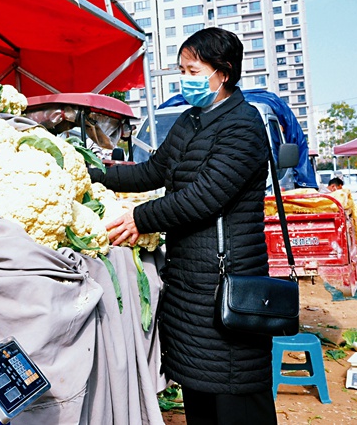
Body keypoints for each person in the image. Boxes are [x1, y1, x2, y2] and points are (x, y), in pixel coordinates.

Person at [91, 27, 277, 425]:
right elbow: (152, 171)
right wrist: (94, 174)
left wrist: (139, 218)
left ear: (222, 72)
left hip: (226, 278)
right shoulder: (191, 121)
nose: (185, 78)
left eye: (193, 70)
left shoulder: (243, 125)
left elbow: (206, 196)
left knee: (236, 391)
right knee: (200, 390)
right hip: (189, 278)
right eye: (182, 70)